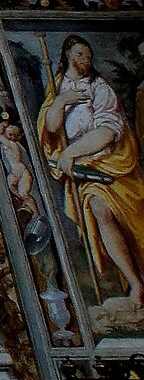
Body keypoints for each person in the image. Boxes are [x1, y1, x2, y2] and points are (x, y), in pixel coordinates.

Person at [38, 34, 144, 300]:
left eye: (88, 55)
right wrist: (62, 101)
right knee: (99, 209)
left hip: (110, 163)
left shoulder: (99, 87)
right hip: (84, 168)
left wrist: (72, 151)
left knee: (134, 224)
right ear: (67, 56)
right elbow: (51, 128)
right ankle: (135, 283)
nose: (85, 60)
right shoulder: (59, 85)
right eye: (80, 55)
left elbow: (108, 132)